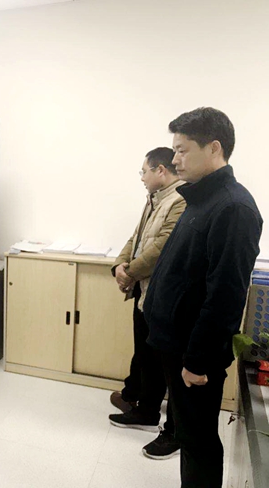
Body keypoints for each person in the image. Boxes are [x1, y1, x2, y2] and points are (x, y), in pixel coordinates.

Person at [144, 107, 263, 487]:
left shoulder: (233, 207)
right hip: (175, 343)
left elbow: (226, 295)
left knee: (198, 441)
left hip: (193, 354)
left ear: (214, 148)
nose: (175, 159)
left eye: (182, 150)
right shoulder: (201, 199)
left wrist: (197, 361)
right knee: (188, 434)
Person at [108, 147, 186, 460]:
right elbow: (137, 238)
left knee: (168, 366)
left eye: (144, 171)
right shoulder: (155, 198)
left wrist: (130, 273)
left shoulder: (180, 200)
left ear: (160, 170)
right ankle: (146, 411)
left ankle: (174, 432)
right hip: (143, 291)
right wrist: (119, 265)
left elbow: (161, 248)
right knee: (146, 356)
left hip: (162, 294)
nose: (141, 177)